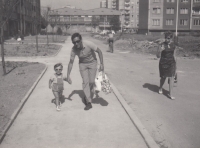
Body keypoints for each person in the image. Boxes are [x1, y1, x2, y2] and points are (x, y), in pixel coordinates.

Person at [66, 33, 104, 111]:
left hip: (92, 63)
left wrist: (102, 64)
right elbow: (71, 62)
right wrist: (68, 75)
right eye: (74, 42)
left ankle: (87, 95)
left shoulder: (88, 44)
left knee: (91, 82)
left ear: (81, 40)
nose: (76, 43)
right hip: (82, 64)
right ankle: (88, 101)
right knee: (85, 82)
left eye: (77, 41)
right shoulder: (74, 50)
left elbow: (99, 51)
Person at [157, 31, 178, 100]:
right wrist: (160, 50)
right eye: (166, 38)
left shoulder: (174, 45)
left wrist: (176, 67)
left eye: (168, 38)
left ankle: (171, 94)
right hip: (163, 63)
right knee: (163, 77)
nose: (167, 39)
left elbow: (175, 56)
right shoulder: (161, 44)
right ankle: (160, 87)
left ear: (171, 39)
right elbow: (157, 56)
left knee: (171, 77)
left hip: (171, 63)